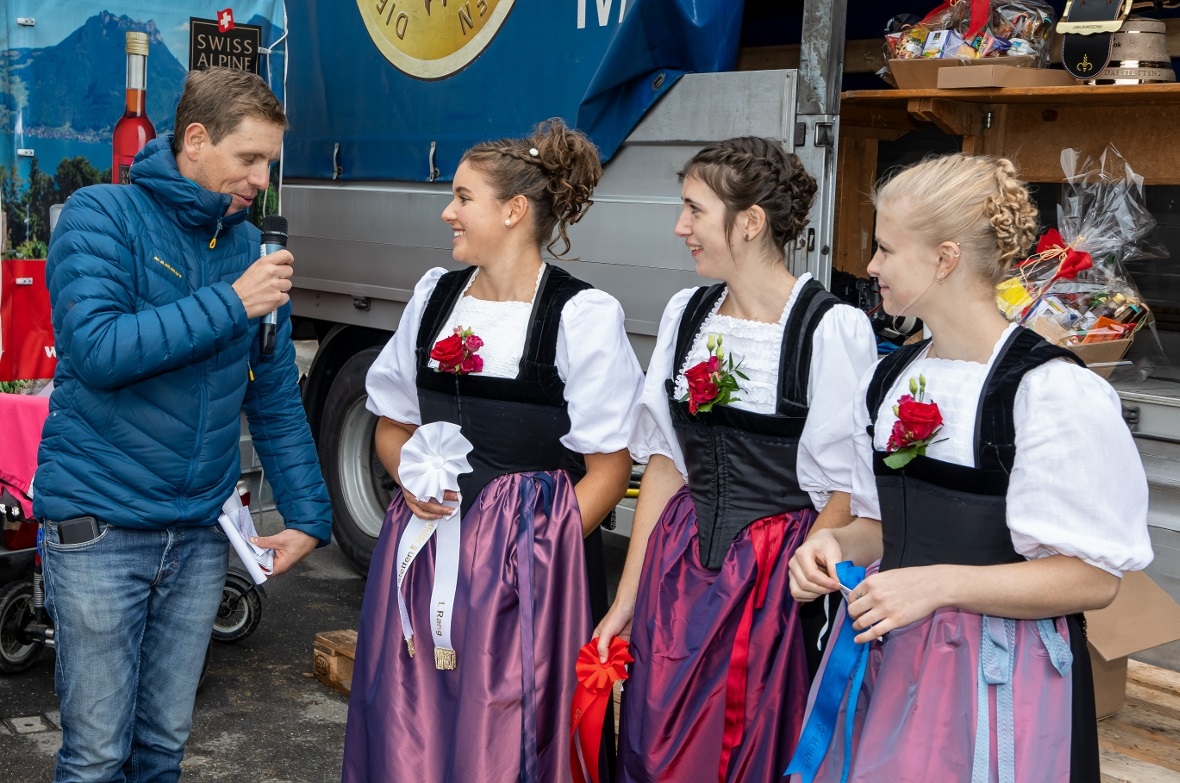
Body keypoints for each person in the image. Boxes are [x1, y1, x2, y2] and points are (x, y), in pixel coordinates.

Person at [787, 154, 1154, 782]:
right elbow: (884, 528)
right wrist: (832, 541)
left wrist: (936, 585)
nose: (870, 266)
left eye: (884, 249)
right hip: (889, 656)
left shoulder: (1050, 393)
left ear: (945, 258)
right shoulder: (889, 378)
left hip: (997, 675)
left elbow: (1093, 580)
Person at [36, 67, 332, 782]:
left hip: (200, 534)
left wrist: (308, 512)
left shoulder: (251, 251)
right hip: (100, 529)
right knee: (97, 756)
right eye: (249, 158)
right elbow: (99, 350)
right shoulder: (99, 215)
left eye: (269, 162)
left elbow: (271, 394)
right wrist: (234, 302)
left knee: (163, 751)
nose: (261, 178)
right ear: (195, 140)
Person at [343, 118, 643, 783]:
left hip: (527, 580)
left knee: (508, 736)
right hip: (424, 561)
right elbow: (391, 426)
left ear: (513, 210)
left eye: (462, 196)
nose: (447, 211)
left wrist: (530, 555)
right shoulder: (435, 297)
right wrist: (409, 480)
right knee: (415, 729)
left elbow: (610, 469)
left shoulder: (580, 314)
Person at [594, 137, 877, 783]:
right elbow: (665, 465)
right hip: (678, 571)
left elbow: (843, 489)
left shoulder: (829, 328)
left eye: (694, 210)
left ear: (749, 222)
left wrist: (792, 591)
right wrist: (625, 602)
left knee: (752, 747)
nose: (680, 226)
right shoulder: (687, 313)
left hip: (774, 586)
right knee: (652, 739)